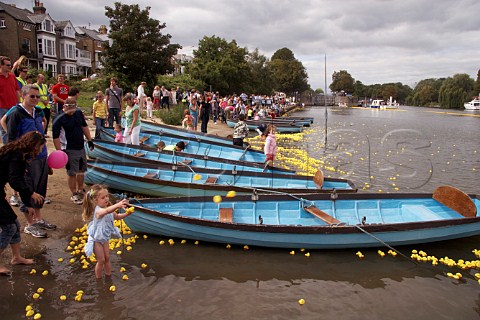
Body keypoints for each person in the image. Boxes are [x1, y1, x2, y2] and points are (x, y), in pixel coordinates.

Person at [6, 84, 54, 238]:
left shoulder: (38, 111)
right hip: (26, 159)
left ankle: (38, 218)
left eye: (37, 96)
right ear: (23, 96)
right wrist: (18, 161)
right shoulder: (16, 113)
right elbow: (11, 138)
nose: (35, 99)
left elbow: (42, 128)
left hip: (41, 156)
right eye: (31, 96)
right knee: (27, 190)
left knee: (40, 189)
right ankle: (29, 224)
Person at [0, 132, 46, 274]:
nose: (39, 151)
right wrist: (30, 194)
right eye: (39, 148)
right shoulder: (17, 156)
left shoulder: (16, 151)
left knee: (15, 224)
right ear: (33, 146)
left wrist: (28, 203)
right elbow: (15, 180)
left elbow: (16, 178)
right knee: (9, 227)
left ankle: (16, 257)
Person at [82, 184, 131, 279]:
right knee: (101, 260)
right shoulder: (98, 211)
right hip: (97, 239)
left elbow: (117, 217)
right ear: (96, 200)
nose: (106, 199)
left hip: (105, 238)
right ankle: (98, 279)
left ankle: (108, 276)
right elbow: (107, 211)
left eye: (107, 196)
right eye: (103, 197)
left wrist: (127, 213)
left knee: (107, 258)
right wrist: (118, 204)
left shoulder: (109, 209)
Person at [52, 97, 94, 205]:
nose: (72, 112)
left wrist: (89, 140)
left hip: (80, 146)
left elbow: (84, 126)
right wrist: (59, 152)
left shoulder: (78, 113)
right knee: (72, 172)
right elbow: (55, 137)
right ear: (64, 107)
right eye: (70, 109)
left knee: (81, 170)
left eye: (74, 109)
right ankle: (74, 193)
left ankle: (80, 190)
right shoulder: (59, 118)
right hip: (68, 148)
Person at [0, 56, 20, 144]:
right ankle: (7, 149)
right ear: (1, 65)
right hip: (2, 107)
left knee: (15, 127)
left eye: (10, 65)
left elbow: (16, 90)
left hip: (13, 107)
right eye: (7, 65)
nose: (9, 66)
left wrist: (19, 103)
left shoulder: (12, 77)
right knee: (4, 129)